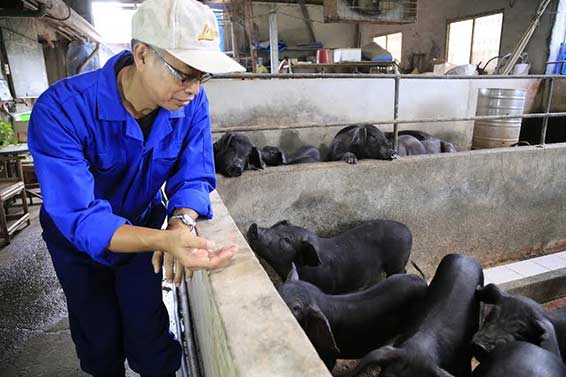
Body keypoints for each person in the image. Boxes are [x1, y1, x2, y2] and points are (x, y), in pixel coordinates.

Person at [28, 0, 245, 375]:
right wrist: (162, 241)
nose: (193, 89)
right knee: (98, 338)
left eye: (202, 77)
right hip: (76, 246)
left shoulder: (191, 104)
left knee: (149, 333)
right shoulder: (61, 110)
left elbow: (194, 174)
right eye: (184, 74)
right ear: (141, 54)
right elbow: (80, 216)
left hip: (143, 229)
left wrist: (181, 221)